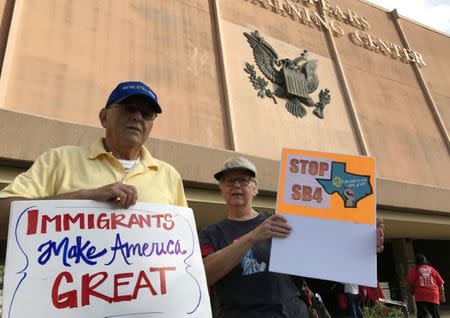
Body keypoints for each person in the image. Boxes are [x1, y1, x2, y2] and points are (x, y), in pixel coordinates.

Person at [0, 81, 187, 235]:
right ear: (104, 117)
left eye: (146, 114)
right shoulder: (59, 160)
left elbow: (183, 240)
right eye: (129, 108)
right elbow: (3, 216)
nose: (137, 117)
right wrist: (86, 196)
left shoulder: (169, 176)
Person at [199, 157, 310, 318]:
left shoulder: (278, 221)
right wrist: (253, 237)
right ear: (221, 189)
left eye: (244, 180)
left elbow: (312, 257)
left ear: (255, 188)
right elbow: (202, 276)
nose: (236, 185)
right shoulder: (212, 233)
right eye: (229, 181)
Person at [407, 253, 445, 318]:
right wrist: (442, 295)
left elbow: (410, 282)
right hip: (433, 295)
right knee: (435, 315)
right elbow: (440, 283)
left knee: (422, 315)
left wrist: (412, 291)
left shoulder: (415, 270)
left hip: (421, 296)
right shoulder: (432, 270)